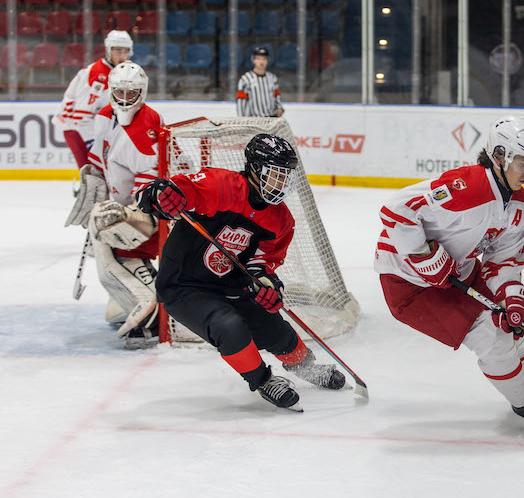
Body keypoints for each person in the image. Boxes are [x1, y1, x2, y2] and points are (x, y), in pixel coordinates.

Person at [374, 116, 524, 428]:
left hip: (459, 269)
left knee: (510, 325)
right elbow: (397, 208)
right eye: (522, 162)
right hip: (408, 283)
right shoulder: (466, 188)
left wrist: (510, 296)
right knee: (493, 338)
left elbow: (504, 259)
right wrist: (425, 256)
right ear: (499, 155)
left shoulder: (519, 204)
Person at [134, 134, 346, 411]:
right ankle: (263, 380)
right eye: (275, 175)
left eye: (286, 177)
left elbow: (264, 263)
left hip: (231, 286)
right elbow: (169, 194)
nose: (281, 184)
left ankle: (308, 368)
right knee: (229, 325)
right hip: (184, 286)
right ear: (256, 170)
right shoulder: (220, 185)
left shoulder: (282, 221)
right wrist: (157, 194)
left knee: (277, 330)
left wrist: (268, 285)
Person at [64, 61, 163, 349]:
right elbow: (98, 158)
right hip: (118, 204)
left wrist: (131, 212)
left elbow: (149, 184)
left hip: (149, 209)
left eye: (131, 93)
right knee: (105, 250)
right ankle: (128, 300)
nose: (124, 99)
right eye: (118, 91)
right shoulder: (106, 115)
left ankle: (152, 309)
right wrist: (93, 183)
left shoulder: (146, 126)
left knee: (120, 252)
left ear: (141, 93)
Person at [53, 30, 134, 168]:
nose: (122, 56)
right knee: (92, 175)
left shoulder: (117, 72)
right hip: (75, 129)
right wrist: (94, 144)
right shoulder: (97, 76)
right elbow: (80, 118)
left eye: (125, 51)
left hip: (91, 127)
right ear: (109, 51)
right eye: (118, 51)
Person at [236, 47, 284, 118]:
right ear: (253, 60)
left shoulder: (272, 78)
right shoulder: (245, 79)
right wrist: (243, 120)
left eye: (264, 59)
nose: (261, 62)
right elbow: (241, 103)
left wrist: (280, 108)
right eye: (258, 59)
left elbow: (277, 97)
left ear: (268, 60)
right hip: (254, 121)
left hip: (271, 119)